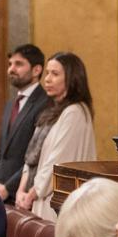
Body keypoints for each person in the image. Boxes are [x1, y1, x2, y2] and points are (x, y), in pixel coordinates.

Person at [15, 52, 96, 221]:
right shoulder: (51, 112)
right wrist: (20, 191)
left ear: (72, 78)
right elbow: (31, 158)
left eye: (55, 74)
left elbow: (57, 161)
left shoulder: (75, 112)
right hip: (36, 194)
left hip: (54, 201)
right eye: (47, 73)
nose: (47, 79)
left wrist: (30, 195)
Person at [0, 44, 49, 202]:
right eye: (10, 64)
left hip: (24, 195)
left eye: (19, 64)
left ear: (36, 70)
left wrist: (8, 188)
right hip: (1, 193)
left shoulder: (46, 103)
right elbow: (1, 153)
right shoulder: (11, 104)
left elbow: (37, 155)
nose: (11, 69)